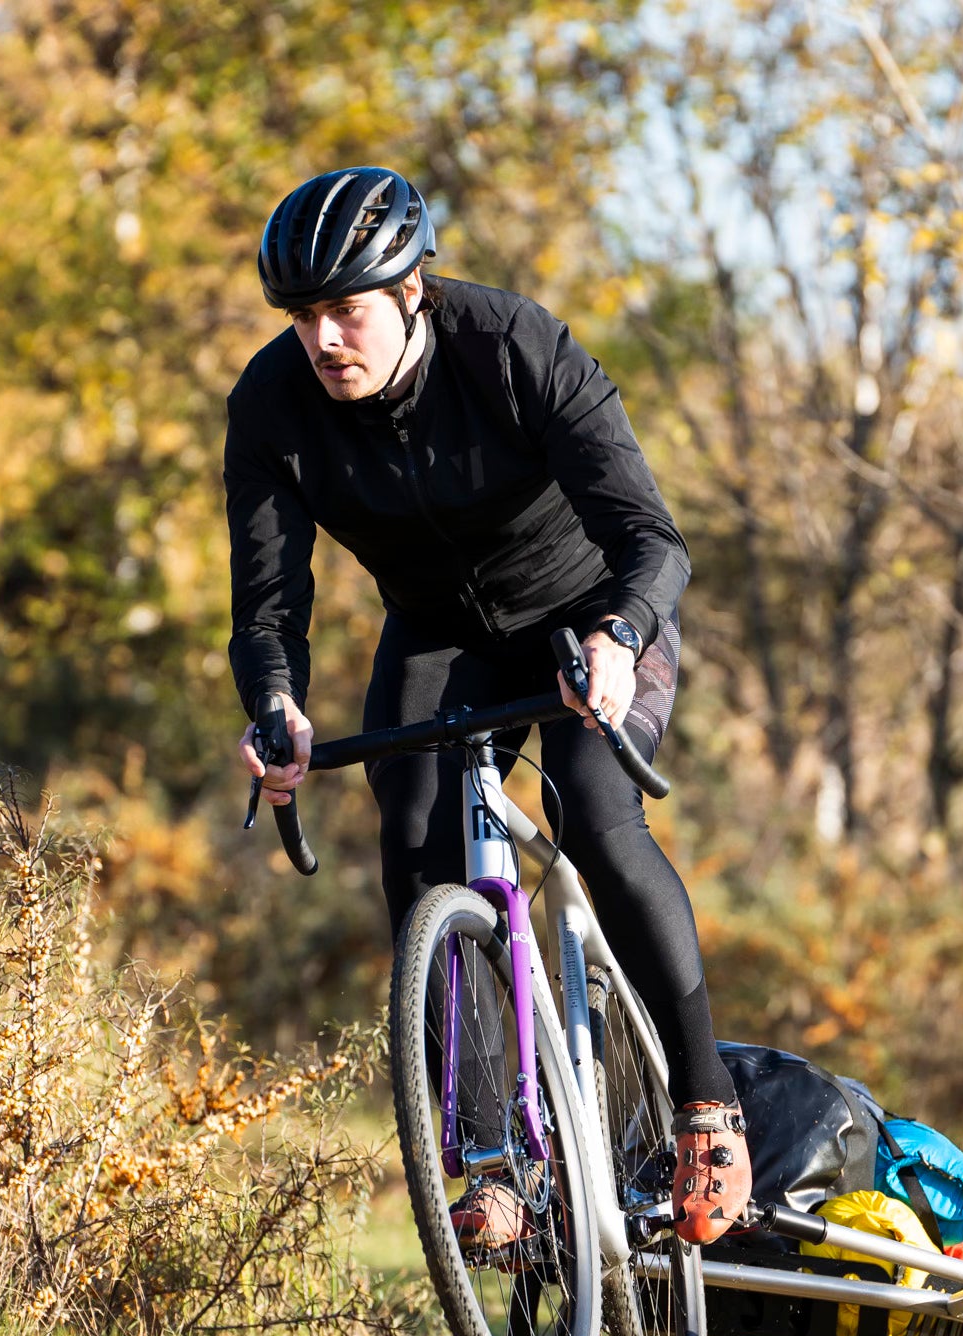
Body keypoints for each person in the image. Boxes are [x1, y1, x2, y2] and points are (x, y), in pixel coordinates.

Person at [225, 167, 750, 1247]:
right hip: (438, 633)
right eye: (304, 316)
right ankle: (492, 1157)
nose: (324, 340)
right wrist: (274, 707)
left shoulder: (511, 346)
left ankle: (705, 1105)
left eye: (346, 311)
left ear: (410, 290)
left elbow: (655, 541)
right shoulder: (272, 406)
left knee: (597, 821)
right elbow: (267, 603)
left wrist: (618, 639)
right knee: (416, 852)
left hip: (589, 614)